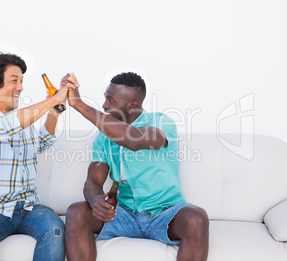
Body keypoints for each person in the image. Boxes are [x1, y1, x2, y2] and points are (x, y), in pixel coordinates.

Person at [64, 72, 209, 261]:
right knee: (76, 212)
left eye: (110, 100)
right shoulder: (102, 138)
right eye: (104, 98)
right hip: (123, 214)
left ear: (133, 105)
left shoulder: (160, 121)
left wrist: (80, 105)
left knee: (196, 218)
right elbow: (93, 180)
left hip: (164, 213)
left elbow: (134, 140)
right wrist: (95, 201)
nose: (104, 105)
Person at [0, 52, 77, 261]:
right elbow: (4, 128)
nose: (21, 87)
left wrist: (53, 113)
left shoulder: (22, 121)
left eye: (22, 81)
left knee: (55, 229)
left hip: (30, 207)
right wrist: (53, 100)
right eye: (15, 81)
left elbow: (40, 144)